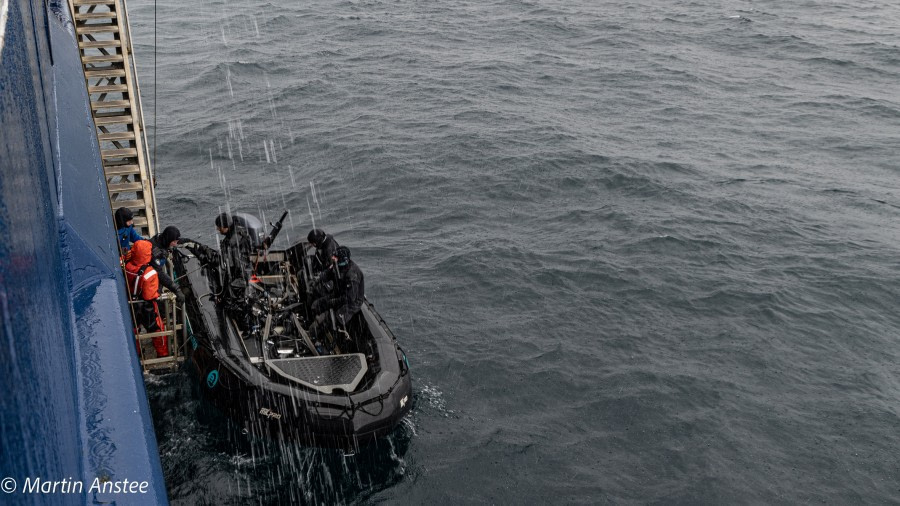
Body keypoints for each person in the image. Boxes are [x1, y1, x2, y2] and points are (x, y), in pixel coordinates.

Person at [124, 240, 170, 357]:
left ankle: (138, 354)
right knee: (157, 330)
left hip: (130, 304)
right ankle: (163, 354)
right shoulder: (149, 273)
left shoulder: (127, 265)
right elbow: (150, 295)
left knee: (134, 330)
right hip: (146, 307)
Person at [310, 246, 364, 330]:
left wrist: (333, 302)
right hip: (338, 294)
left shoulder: (352, 276)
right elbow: (327, 273)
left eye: (335, 257)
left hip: (351, 304)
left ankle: (326, 334)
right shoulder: (337, 266)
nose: (332, 257)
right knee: (315, 305)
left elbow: (350, 298)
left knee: (329, 320)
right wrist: (316, 280)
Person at [148, 225, 185, 304]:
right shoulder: (155, 252)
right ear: (169, 240)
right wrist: (176, 289)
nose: (175, 244)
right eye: (174, 242)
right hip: (150, 281)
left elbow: (181, 241)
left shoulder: (161, 239)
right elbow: (158, 273)